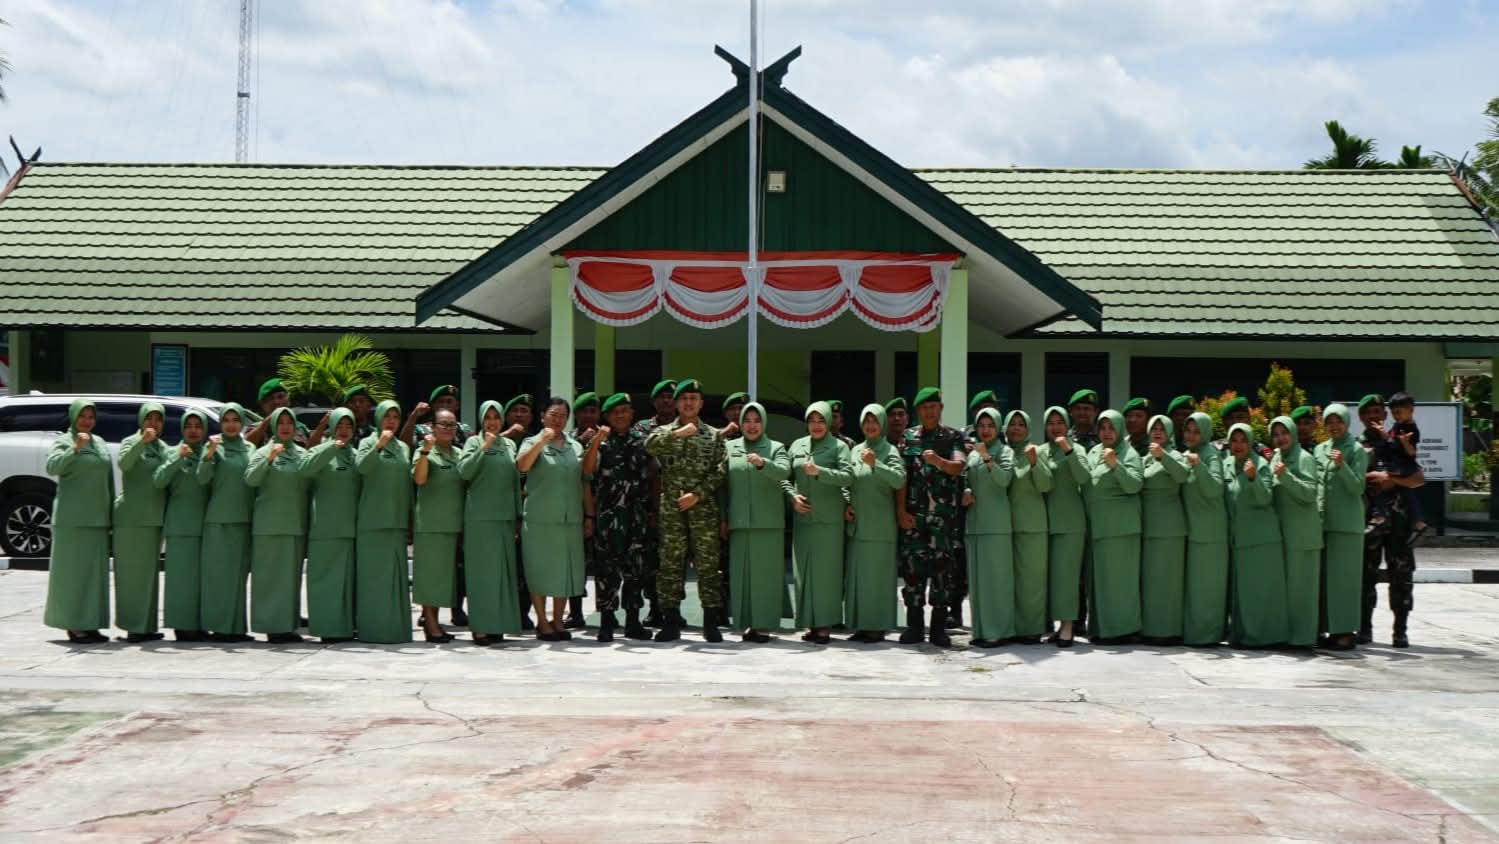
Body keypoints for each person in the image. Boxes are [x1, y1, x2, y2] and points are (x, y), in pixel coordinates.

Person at [644, 379, 728, 642]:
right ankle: (670, 622)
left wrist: (697, 494)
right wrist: (677, 434)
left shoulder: (713, 435)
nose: (689, 403)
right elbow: (649, 446)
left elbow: (721, 470)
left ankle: (710, 623)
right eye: (684, 398)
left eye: (694, 398)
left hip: (703, 509)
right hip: (672, 509)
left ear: (701, 404)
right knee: (670, 565)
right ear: (676, 403)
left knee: (708, 566)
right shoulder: (665, 432)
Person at [896, 387, 967, 647]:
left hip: (942, 520)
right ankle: (914, 627)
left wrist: (939, 461)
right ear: (918, 411)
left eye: (933, 407)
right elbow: (902, 478)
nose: (929, 412)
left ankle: (938, 629)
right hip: (914, 518)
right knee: (912, 573)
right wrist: (901, 511)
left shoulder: (953, 436)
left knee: (942, 575)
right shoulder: (908, 437)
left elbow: (959, 466)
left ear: (941, 408)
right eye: (924, 408)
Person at [583, 393, 654, 642]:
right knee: (606, 571)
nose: (620, 415)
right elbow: (587, 471)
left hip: (636, 516)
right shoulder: (600, 442)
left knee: (635, 571)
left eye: (625, 410)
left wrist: (652, 511)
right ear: (607, 416)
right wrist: (596, 441)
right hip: (608, 518)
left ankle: (633, 622)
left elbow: (653, 475)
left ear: (632, 413)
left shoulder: (642, 441)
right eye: (615, 412)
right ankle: (606, 623)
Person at [43, 399, 113, 645]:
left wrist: (110, 513)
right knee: (72, 575)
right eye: (82, 416)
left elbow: (108, 479)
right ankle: (73, 624)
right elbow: (52, 467)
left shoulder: (99, 442)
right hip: (72, 520)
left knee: (93, 577)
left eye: (91, 417)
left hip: (97, 519)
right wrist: (74, 449)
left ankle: (90, 623)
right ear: (73, 417)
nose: (87, 421)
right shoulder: (64, 441)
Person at [518, 398, 587, 642]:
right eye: (553, 414)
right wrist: (542, 441)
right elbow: (522, 466)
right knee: (539, 570)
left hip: (569, 519)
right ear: (542, 416)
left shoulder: (575, 446)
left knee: (564, 571)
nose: (558, 420)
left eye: (562, 416)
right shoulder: (531, 442)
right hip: (540, 519)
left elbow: (584, 478)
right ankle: (542, 621)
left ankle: (558, 620)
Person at [785, 401, 853, 644]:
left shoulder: (839, 447)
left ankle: (824, 625)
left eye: (821, 420)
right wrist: (792, 497)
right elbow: (785, 477)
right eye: (812, 421)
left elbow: (848, 476)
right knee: (803, 572)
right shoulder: (797, 445)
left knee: (826, 574)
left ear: (829, 422)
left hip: (829, 520)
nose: (816, 425)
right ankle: (810, 622)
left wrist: (820, 472)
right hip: (803, 519)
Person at [723, 401, 792, 643]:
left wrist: (764, 464)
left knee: (766, 576)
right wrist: (723, 517)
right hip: (739, 522)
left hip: (768, 523)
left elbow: (784, 471)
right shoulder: (729, 447)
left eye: (757, 421)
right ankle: (745, 623)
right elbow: (722, 485)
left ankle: (763, 625)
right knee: (742, 576)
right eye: (747, 421)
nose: (752, 426)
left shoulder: (775, 447)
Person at [458, 400, 524, 646]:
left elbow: (514, 482)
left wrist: (517, 514)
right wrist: (484, 446)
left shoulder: (509, 445)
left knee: (502, 575)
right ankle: (481, 627)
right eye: (488, 417)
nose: (492, 422)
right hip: (480, 518)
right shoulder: (473, 442)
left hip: (504, 518)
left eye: (496, 417)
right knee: (482, 574)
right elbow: (464, 472)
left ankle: (499, 624)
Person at [1357, 394, 1421, 648]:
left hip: (1399, 521)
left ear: (1384, 415)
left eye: (1377, 411)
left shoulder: (1398, 438)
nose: (1373, 416)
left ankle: (1400, 630)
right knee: (1365, 576)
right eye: (1367, 413)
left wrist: (1391, 480)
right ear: (1361, 417)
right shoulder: (1357, 445)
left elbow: (1418, 478)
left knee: (1401, 576)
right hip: (1369, 521)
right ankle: (1364, 628)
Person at [246, 407, 310, 644]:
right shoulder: (263, 451)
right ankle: (272, 626)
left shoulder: (301, 454)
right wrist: (269, 458)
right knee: (270, 579)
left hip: (295, 525)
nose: (285, 427)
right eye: (280, 422)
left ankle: (287, 625)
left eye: (289, 423)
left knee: (290, 580)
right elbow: (251, 479)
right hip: (270, 526)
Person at [844, 403, 906, 643]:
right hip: (858, 525)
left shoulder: (889, 450)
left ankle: (877, 626)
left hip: (880, 527)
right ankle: (861, 624)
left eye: (875, 421)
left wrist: (875, 464)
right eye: (866, 421)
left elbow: (899, 480)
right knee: (859, 579)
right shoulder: (855, 450)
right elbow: (848, 481)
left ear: (882, 424)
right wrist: (846, 503)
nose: (870, 426)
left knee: (877, 579)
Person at [354, 400, 414, 645]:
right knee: (373, 579)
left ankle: (395, 630)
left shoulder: (403, 447)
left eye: (395, 417)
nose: (391, 421)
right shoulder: (367, 442)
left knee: (395, 580)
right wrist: (379, 445)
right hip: (373, 520)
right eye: (387, 416)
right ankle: (372, 630)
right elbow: (362, 467)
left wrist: (410, 518)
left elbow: (407, 485)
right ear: (378, 418)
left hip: (396, 521)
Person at [1224, 422, 1288, 648]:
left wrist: (1253, 478)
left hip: (1261, 539)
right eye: (1234, 440)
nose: (1238, 445)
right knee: (1244, 593)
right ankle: (1243, 635)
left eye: (1243, 440)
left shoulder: (1260, 465)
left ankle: (1267, 637)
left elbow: (1265, 498)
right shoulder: (1227, 464)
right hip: (1239, 538)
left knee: (1261, 592)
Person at [299, 407, 360, 643]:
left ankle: (344, 627)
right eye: (339, 425)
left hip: (349, 528)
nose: (344, 430)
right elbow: (305, 469)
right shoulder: (322, 450)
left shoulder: (355, 454)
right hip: (325, 528)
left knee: (345, 583)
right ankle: (326, 627)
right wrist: (331, 446)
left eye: (348, 426)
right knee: (324, 581)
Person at [1084, 409, 1144, 643]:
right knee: (1101, 582)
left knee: (1120, 582)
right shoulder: (1093, 451)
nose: (1107, 432)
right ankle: (1102, 629)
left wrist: (1115, 465)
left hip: (1120, 528)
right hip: (1098, 526)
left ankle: (1122, 630)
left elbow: (1134, 485)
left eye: (1112, 428)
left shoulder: (1128, 453)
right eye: (1103, 428)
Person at [198, 403, 255, 643]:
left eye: (235, 420)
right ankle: (219, 627)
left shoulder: (249, 447)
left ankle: (236, 627)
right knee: (219, 576)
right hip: (219, 520)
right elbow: (202, 478)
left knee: (238, 577)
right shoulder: (213, 445)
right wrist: (209, 454)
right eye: (226, 420)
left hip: (244, 519)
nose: (231, 425)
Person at [113, 402, 169, 643]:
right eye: (149, 418)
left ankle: (146, 626)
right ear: (141, 420)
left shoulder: (162, 447)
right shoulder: (131, 441)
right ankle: (132, 626)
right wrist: (141, 442)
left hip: (154, 519)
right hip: (131, 519)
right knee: (131, 575)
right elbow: (124, 463)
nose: (153, 423)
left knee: (148, 576)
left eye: (158, 419)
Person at [155, 408, 209, 642]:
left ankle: (197, 623)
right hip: (181, 525)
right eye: (188, 426)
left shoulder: (209, 453)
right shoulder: (172, 452)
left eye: (198, 426)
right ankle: (181, 624)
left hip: (205, 524)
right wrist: (178, 458)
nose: (193, 431)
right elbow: (159, 480)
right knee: (181, 578)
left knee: (199, 580)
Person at [1314, 404, 1364, 651]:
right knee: (1324, 580)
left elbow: (1358, 488)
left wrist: (1343, 466)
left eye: (1338, 421)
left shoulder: (1356, 450)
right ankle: (1325, 628)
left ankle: (1344, 631)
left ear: (1346, 422)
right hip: (1323, 523)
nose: (1334, 426)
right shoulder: (1319, 449)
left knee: (1344, 580)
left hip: (1347, 525)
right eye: (1329, 422)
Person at [412, 409, 465, 644]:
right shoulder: (425, 451)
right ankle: (431, 623)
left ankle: (434, 620)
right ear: (432, 427)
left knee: (443, 577)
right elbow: (419, 479)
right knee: (430, 575)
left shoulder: (459, 453)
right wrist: (425, 451)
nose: (448, 428)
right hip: (431, 524)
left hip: (453, 523)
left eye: (452, 425)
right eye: (443, 424)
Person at [964, 408, 1016, 647]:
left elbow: (1004, 480)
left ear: (998, 428)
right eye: (981, 426)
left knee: (997, 580)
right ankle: (981, 631)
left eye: (990, 426)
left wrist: (987, 458)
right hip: (975, 525)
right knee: (979, 583)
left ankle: (999, 631)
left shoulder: (1004, 451)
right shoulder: (973, 453)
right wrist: (966, 491)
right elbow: (967, 479)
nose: (985, 430)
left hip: (996, 526)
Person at [1270, 415, 1322, 649]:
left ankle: (1303, 638)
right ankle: (1286, 635)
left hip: (1303, 535)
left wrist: (1286, 476)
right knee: (1287, 590)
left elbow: (1309, 494)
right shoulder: (1276, 458)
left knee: (1303, 588)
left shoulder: (1304, 458)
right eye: (1276, 434)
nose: (1280, 438)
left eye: (1284, 433)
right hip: (1284, 532)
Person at [1040, 406, 1088, 648]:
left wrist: (1068, 450)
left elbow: (1084, 478)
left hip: (1070, 522)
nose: (1055, 427)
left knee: (1067, 577)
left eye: (1060, 422)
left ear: (1068, 426)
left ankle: (1068, 626)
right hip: (1044, 522)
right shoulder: (1040, 451)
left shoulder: (1077, 449)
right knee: (1050, 578)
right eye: (1051, 422)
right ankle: (1056, 626)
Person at [1180, 412, 1229, 646]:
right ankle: (1194, 633)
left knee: (1209, 588)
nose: (1190, 435)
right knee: (1196, 589)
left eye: (1196, 431)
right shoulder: (1187, 454)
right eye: (1188, 430)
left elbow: (1214, 489)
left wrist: (1198, 466)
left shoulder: (1210, 455)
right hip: (1194, 532)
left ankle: (1209, 636)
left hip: (1211, 535)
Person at [1004, 410, 1052, 644]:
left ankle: (1032, 628)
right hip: (1006, 526)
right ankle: (1012, 627)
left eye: (1021, 424)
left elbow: (1045, 485)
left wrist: (1034, 462)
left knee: (1032, 581)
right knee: (1011, 582)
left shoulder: (1036, 451)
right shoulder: (1002, 452)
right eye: (1012, 424)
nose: (1016, 428)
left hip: (1032, 526)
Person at [631, 379, 676, 627]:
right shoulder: (642, 427)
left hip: (679, 503)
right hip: (648, 503)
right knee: (650, 559)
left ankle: (673, 608)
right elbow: (643, 453)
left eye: (671, 396)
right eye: (662, 397)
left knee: (676, 559)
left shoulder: (688, 425)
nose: (667, 401)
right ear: (654, 401)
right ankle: (655, 607)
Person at [1140, 414, 1187, 644]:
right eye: (1153, 428)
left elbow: (1182, 474)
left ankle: (1168, 630)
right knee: (1151, 581)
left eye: (1162, 428)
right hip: (1149, 526)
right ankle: (1151, 629)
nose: (1157, 432)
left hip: (1169, 528)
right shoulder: (1145, 458)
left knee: (1168, 580)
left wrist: (1163, 456)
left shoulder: (1174, 455)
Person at [1367, 391, 1427, 539]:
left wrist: (1405, 443)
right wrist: (1384, 434)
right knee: (1406, 492)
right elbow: (1391, 443)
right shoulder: (1397, 426)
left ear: (1410, 410)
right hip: (1398, 465)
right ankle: (1418, 522)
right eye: (1394, 413)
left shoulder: (1411, 429)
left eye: (1399, 412)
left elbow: (1412, 453)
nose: (1396, 416)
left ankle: (1379, 515)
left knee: (1381, 483)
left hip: (1402, 466)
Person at [566, 390, 602, 629]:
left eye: (593, 411)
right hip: (575, 509)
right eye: (584, 411)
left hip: (606, 508)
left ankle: (606, 611)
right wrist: (581, 441)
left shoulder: (607, 436)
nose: (589, 415)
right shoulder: (568, 439)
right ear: (576, 415)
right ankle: (575, 612)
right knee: (575, 562)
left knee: (602, 563)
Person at [246, 378, 313, 447]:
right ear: (263, 405)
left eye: (280, 397)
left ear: (288, 400)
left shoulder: (300, 427)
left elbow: (311, 450)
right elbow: (246, 446)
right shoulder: (255, 428)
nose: (276, 402)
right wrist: (268, 421)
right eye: (271, 399)